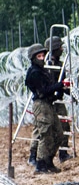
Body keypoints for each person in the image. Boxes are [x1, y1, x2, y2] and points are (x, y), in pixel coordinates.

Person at [24, 43, 68, 175]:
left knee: (59, 133)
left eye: (43, 55)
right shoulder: (34, 73)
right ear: (33, 58)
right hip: (41, 105)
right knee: (46, 134)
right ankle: (40, 165)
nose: (42, 58)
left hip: (48, 104)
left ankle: (49, 160)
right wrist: (60, 85)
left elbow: (49, 90)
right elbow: (43, 91)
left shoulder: (43, 70)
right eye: (39, 56)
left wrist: (59, 90)